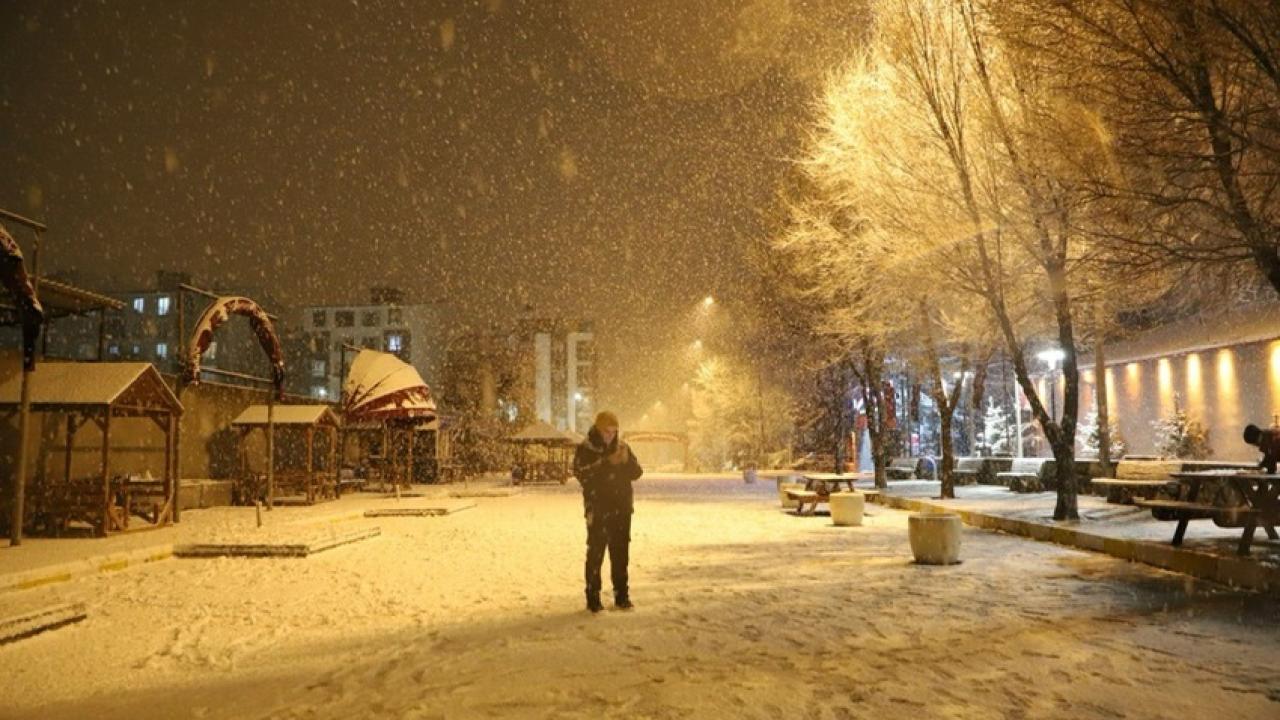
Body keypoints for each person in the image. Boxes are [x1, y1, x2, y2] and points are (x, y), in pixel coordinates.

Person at [574, 411, 643, 613]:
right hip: (598, 507)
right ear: (597, 429)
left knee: (620, 553)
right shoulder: (586, 448)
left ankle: (622, 596)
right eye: (606, 431)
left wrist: (626, 461)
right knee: (596, 552)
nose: (610, 436)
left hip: (621, 509)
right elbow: (581, 474)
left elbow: (637, 473)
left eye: (614, 432)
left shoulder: (623, 447)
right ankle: (593, 597)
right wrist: (605, 463)